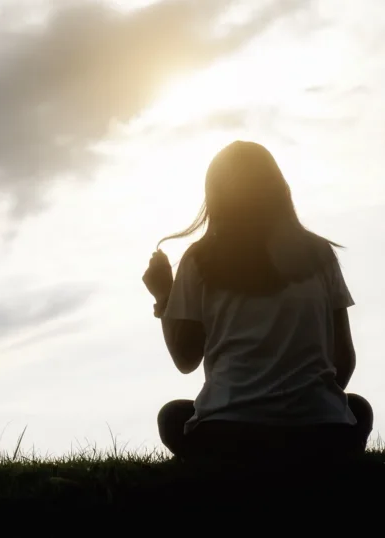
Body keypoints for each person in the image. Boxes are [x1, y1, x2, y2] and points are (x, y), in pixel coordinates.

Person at [142, 140, 373, 464]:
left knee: (172, 417)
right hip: (322, 435)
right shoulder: (319, 255)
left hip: (230, 436)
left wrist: (164, 295)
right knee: (358, 408)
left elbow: (185, 359)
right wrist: (308, 404)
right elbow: (344, 359)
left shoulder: (201, 260)